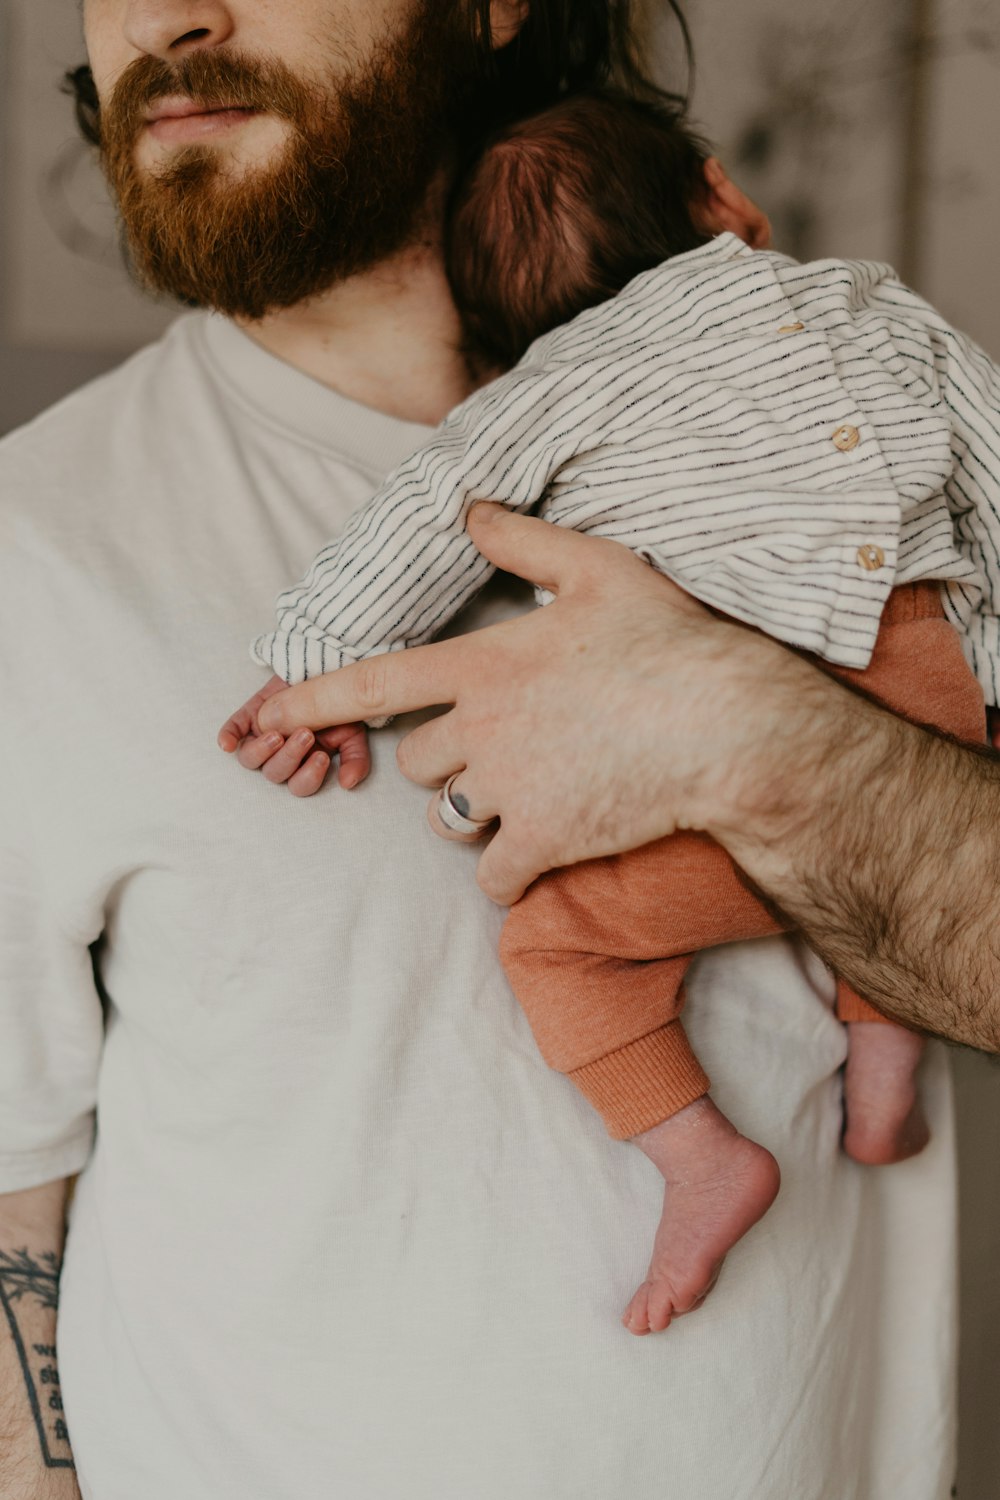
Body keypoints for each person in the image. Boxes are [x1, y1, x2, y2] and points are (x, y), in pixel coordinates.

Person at [0, 2, 965, 1497]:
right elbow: (11, 1195)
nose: (171, 11)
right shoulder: (34, 549)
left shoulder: (690, 434)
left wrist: (762, 741)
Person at [223, 89, 996, 1336]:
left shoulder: (555, 376)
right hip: (934, 678)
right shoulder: (872, 303)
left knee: (557, 941)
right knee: (907, 853)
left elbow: (436, 512)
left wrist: (307, 666)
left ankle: (701, 1157)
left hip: (702, 721)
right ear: (720, 200)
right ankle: (886, 1059)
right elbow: (988, 447)